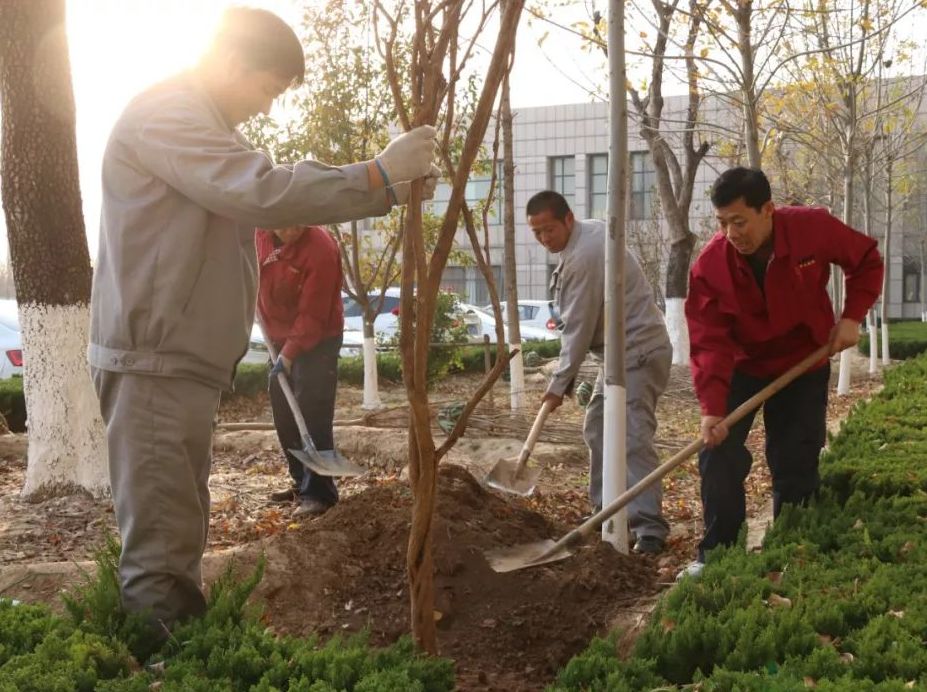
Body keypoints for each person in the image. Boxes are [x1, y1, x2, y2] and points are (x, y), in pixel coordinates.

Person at [88, 7, 439, 630]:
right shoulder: (169, 115)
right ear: (229, 61)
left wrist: (392, 189)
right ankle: (163, 660)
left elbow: (257, 193)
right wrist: (377, 175)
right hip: (153, 366)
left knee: (179, 531)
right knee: (160, 554)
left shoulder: (204, 126)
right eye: (267, 89)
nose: (268, 108)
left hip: (176, 367)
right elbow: (261, 191)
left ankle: (179, 655)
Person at [680, 167, 884, 579]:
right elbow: (709, 342)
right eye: (722, 223)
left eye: (740, 221)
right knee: (716, 453)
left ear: (768, 209)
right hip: (743, 365)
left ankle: (793, 549)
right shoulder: (710, 267)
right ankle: (718, 555)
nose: (731, 233)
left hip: (802, 362)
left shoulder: (812, 228)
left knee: (794, 457)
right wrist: (712, 408)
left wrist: (851, 317)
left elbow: (865, 260)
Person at [526, 190, 673, 555]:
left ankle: (649, 530)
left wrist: (558, 385)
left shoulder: (585, 256)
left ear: (568, 219)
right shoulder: (583, 241)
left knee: (631, 437)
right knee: (598, 428)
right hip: (618, 356)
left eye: (549, 230)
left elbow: (576, 328)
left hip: (637, 354)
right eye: (537, 233)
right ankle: (606, 514)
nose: (545, 239)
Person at [257, 225, 343, 518]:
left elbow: (313, 314)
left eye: (300, 220)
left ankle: (320, 493)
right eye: (285, 220)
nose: (292, 227)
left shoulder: (320, 247)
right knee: (284, 412)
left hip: (318, 338)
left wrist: (290, 354)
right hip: (278, 338)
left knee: (312, 412)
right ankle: (300, 481)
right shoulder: (258, 236)